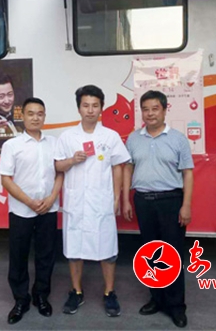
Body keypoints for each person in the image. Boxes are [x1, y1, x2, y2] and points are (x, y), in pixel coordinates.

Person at [54, 85, 131, 317]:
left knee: (107, 248)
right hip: (76, 203)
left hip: (101, 201)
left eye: (95, 105)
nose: (90, 110)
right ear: (79, 108)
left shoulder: (110, 136)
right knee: (74, 248)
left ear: (101, 108)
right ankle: (76, 292)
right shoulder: (67, 137)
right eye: (86, 105)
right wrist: (71, 160)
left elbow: (118, 166)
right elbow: (57, 166)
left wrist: (116, 197)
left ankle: (109, 292)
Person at [123, 90, 194, 328]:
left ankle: (176, 306)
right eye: (145, 109)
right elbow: (128, 169)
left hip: (171, 201)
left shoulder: (178, 139)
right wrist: (126, 200)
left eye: (155, 109)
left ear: (164, 110)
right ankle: (156, 299)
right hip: (143, 201)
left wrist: (186, 205)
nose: (150, 113)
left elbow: (188, 173)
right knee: (150, 254)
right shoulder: (133, 139)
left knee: (172, 255)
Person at [0, 97, 64, 324]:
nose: (36, 118)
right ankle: (20, 300)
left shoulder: (54, 143)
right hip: (21, 210)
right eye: (31, 113)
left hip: (48, 208)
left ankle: (41, 296)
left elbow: (60, 172)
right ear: (22, 116)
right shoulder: (12, 145)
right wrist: (28, 201)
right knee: (19, 256)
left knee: (46, 255)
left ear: (44, 116)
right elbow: (6, 179)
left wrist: (52, 198)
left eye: (40, 113)